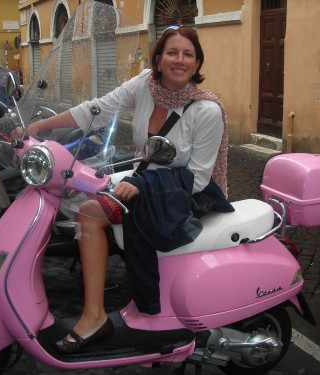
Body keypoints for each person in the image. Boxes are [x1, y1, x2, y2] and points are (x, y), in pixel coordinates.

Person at [27, 25, 231, 353]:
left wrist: (143, 184)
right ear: (159, 58)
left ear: (197, 63)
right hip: (144, 181)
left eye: (188, 54)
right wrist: (37, 128)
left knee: (90, 214)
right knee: (80, 189)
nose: (180, 60)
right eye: (173, 52)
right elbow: (96, 111)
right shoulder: (144, 86)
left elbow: (199, 179)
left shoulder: (206, 110)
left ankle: (94, 316)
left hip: (185, 195)